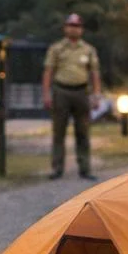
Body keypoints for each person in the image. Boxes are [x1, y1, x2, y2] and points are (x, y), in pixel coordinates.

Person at [43, 12, 102, 180]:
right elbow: (48, 71)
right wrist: (46, 94)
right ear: (65, 28)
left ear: (81, 29)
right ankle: (57, 168)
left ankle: (85, 168)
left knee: (83, 131)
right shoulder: (57, 49)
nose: (74, 29)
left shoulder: (88, 50)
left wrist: (96, 95)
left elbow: (94, 73)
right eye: (71, 26)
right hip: (61, 91)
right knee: (58, 132)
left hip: (81, 92)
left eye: (77, 26)